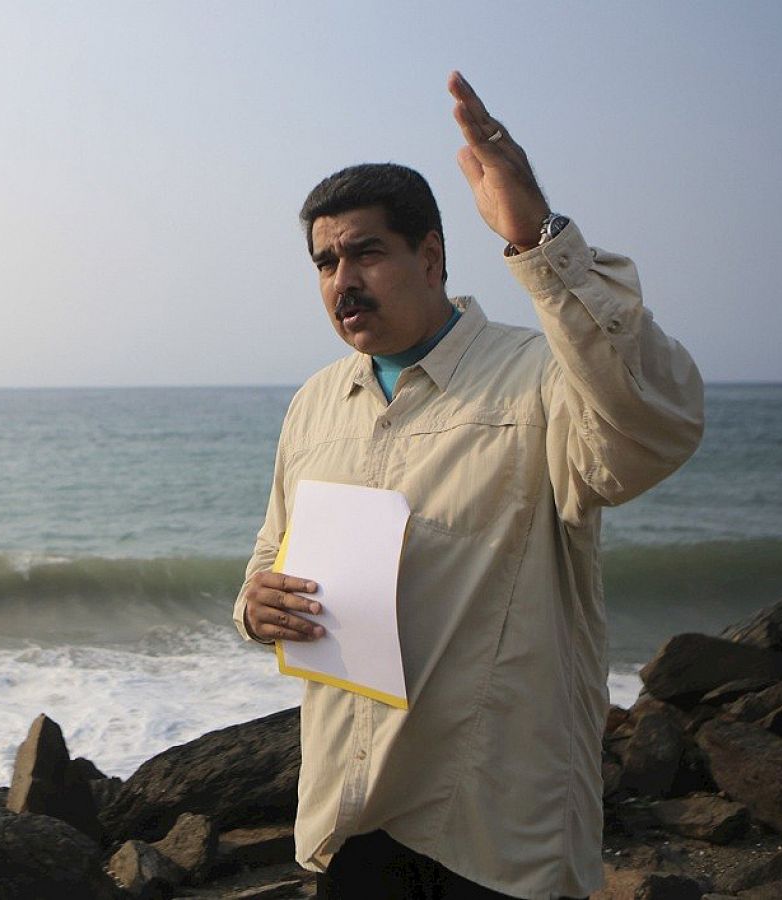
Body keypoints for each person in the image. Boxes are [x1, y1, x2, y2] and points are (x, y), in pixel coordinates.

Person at [231, 71, 704, 899]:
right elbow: (271, 554)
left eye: (366, 252)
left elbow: (656, 424)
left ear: (432, 255)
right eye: (325, 261)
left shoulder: (539, 378)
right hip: (352, 812)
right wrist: (254, 607)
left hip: (494, 825)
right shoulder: (314, 404)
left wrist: (541, 240)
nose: (343, 280)